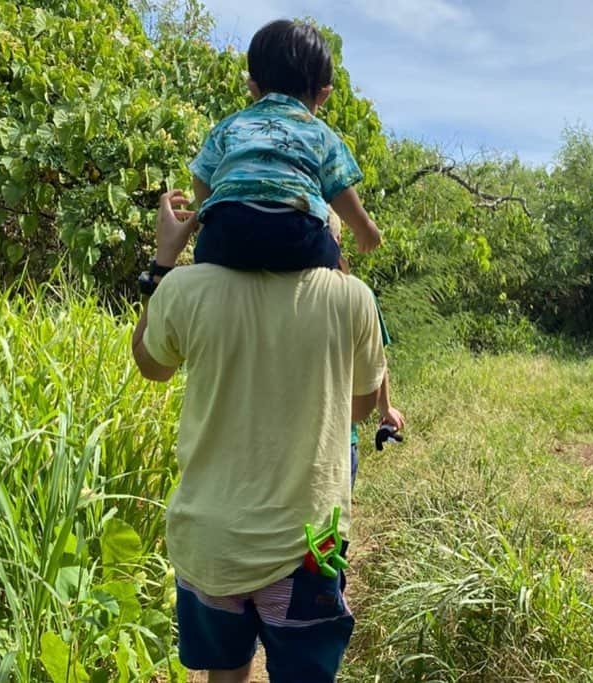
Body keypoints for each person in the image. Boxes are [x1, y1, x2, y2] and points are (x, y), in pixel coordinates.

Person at [131, 190, 387, 683]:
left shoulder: (187, 288)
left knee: (224, 676)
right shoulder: (352, 298)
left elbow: (150, 363)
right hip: (307, 550)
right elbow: (357, 408)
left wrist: (164, 260)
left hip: (209, 546)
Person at [190, 19, 381, 272]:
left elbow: (201, 176)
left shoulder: (230, 125)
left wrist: (207, 220)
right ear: (324, 95)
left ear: (253, 88)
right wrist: (364, 227)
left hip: (225, 235)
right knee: (335, 259)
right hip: (297, 238)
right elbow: (339, 188)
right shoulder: (321, 134)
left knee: (210, 245)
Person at [325, 209, 404, 488]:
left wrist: (386, 408)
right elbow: (375, 360)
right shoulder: (357, 295)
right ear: (338, 239)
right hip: (338, 440)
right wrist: (384, 408)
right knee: (329, 528)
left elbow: (375, 359)